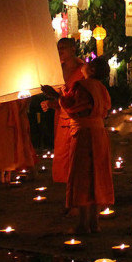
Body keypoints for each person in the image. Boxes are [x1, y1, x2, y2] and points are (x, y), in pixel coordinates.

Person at [58, 56, 115, 234]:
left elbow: (74, 108)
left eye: (87, 64)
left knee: (82, 175)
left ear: (91, 71)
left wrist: (58, 96)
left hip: (83, 134)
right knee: (98, 174)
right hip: (99, 133)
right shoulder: (103, 89)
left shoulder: (81, 86)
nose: (84, 66)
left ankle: (83, 223)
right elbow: (103, 110)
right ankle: (95, 222)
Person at [49, 37, 85, 184]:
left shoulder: (82, 69)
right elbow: (58, 95)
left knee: (76, 150)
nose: (60, 51)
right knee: (62, 150)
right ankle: (64, 179)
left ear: (73, 49)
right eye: (58, 48)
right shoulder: (58, 69)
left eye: (63, 47)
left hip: (78, 116)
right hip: (61, 114)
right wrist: (52, 102)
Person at [0, 98, 36, 183]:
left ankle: (10, 172)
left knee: (13, 143)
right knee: (1, 142)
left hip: (15, 113)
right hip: (1, 112)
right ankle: (1, 172)